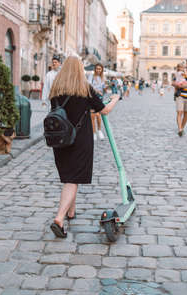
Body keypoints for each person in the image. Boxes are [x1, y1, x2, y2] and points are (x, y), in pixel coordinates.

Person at [48, 56, 120, 238]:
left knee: (70, 177)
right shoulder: (84, 89)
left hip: (60, 139)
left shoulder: (56, 89)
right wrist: (115, 99)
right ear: (80, 70)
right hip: (80, 140)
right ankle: (59, 218)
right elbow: (104, 110)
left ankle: (71, 212)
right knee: (73, 178)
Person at [87, 63, 106, 141]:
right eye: (97, 68)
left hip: (100, 98)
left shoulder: (103, 78)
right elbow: (89, 86)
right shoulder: (91, 76)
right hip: (92, 97)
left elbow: (104, 88)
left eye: (100, 69)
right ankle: (94, 133)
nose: (98, 70)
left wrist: (106, 88)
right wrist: (97, 91)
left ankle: (99, 130)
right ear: (95, 69)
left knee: (98, 115)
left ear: (102, 70)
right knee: (92, 116)